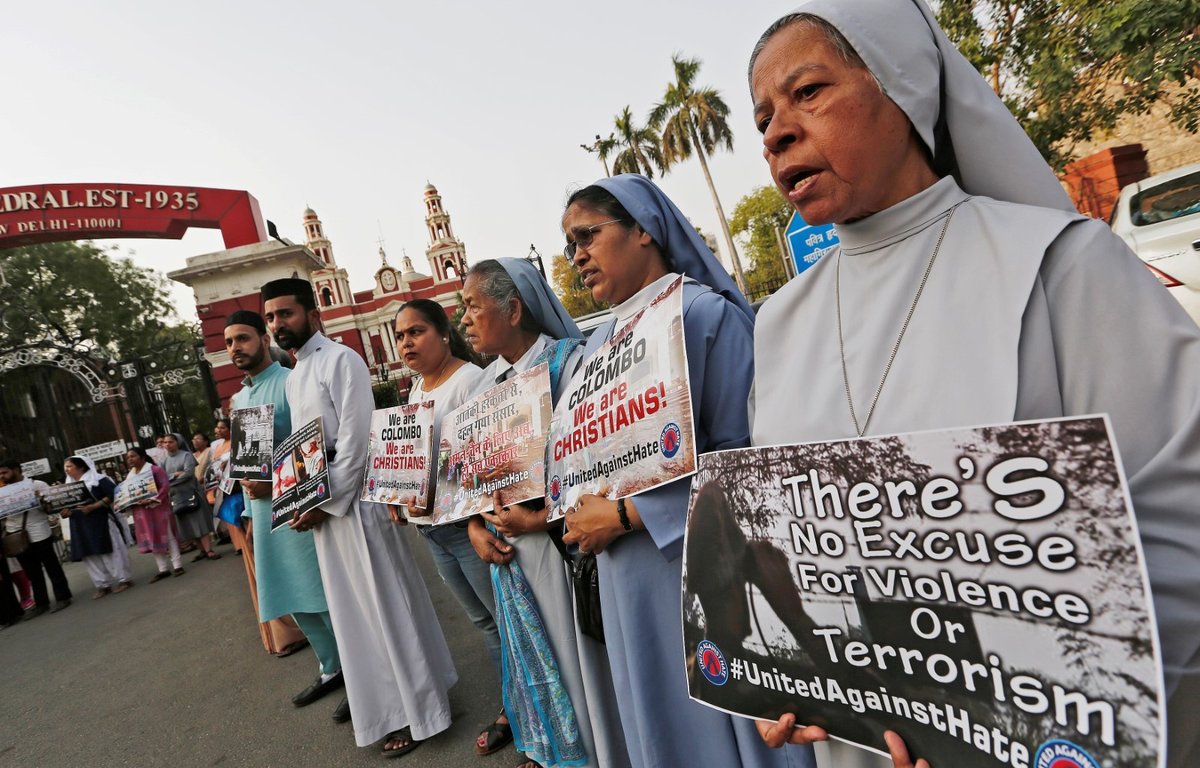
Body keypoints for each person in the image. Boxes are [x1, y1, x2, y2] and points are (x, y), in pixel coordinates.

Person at [746, 3, 1200, 767]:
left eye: (809, 92)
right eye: (762, 117)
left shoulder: (1061, 263)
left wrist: (989, 700)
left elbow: (1181, 523)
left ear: (902, 87)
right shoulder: (779, 323)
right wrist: (784, 668)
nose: (776, 132)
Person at [559, 175, 813, 768]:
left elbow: (747, 461)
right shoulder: (595, 351)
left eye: (587, 236)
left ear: (644, 229)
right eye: (571, 246)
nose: (577, 258)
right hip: (625, 581)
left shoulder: (702, 317)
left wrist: (628, 515)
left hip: (701, 571)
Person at [262, 278, 456, 757]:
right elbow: (305, 450)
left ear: (312, 313)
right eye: (270, 317)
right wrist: (298, 499)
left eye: (285, 313)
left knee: (386, 607)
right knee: (356, 617)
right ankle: (393, 709)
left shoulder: (341, 359)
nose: (277, 324)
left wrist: (321, 501)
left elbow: (353, 441)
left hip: (355, 504)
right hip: (323, 511)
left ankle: (421, 713)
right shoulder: (293, 376)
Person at [461, 259, 630, 768]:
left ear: (513, 309)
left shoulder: (572, 365)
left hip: (568, 547)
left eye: (473, 306)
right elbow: (470, 480)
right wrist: (474, 527)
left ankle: (602, 753)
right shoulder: (481, 390)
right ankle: (554, 748)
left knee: (582, 660)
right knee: (537, 658)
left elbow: (601, 460)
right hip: (509, 554)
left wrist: (540, 522)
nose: (463, 320)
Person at [389, 298, 511, 755]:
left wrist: (477, 517)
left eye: (416, 331)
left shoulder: (471, 382)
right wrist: (396, 490)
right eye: (400, 335)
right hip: (433, 530)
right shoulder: (417, 392)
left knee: (503, 622)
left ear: (443, 333)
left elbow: (488, 457)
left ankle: (519, 710)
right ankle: (515, 703)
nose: (406, 342)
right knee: (483, 621)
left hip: (469, 528)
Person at [224, 310, 341, 703]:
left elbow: (314, 449)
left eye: (242, 338)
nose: (234, 348)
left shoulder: (291, 383)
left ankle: (356, 669)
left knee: (319, 593)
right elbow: (247, 464)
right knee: (289, 595)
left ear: (262, 337)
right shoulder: (240, 397)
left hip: (297, 508)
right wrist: (247, 512)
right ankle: (330, 668)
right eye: (228, 343)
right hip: (260, 512)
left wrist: (272, 482)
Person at [0, 459, 72, 617]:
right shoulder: (1, 492)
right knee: (31, 572)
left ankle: (63, 596)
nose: (2, 476)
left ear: (16, 469)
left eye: (5, 472)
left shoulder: (37, 485)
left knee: (52, 566)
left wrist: (41, 500)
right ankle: (41, 603)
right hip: (16, 537)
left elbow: (53, 508)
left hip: (39, 532)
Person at [62, 455, 133, 599]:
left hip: (100, 520)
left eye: (70, 466)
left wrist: (94, 506)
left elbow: (114, 493)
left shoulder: (99, 480)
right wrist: (65, 512)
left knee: (110, 550)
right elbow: (63, 505)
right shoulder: (67, 485)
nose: (66, 470)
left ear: (81, 466)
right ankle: (102, 584)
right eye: (65, 467)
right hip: (79, 524)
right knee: (89, 554)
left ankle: (123, 579)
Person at [124, 446, 184, 581]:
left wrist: (151, 499)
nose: (130, 459)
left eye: (132, 456)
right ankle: (162, 569)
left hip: (158, 508)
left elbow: (165, 486)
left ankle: (177, 565)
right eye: (128, 457)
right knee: (152, 538)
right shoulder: (130, 476)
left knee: (168, 535)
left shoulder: (155, 470)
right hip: (142, 513)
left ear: (142, 457)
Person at [161, 433, 220, 562]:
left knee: (200, 521)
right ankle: (201, 550)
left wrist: (170, 478)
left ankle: (209, 549)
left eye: (170, 442)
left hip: (192, 493)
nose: (167, 445)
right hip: (176, 496)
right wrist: (175, 475)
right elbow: (162, 479)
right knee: (187, 523)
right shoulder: (164, 461)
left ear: (177, 442)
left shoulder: (186, 455)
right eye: (165, 442)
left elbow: (188, 474)